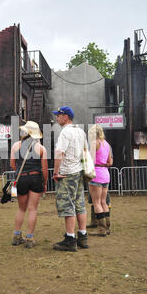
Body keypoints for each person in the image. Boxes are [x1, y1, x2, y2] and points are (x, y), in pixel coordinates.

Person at [52, 106, 89, 252]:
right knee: (80, 203)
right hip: (79, 172)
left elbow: (59, 152)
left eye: (58, 115)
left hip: (67, 173)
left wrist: (55, 172)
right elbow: (85, 151)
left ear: (65, 117)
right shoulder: (80, 131)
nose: (56, 118)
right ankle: (83, 236)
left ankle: (70, 239)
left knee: (67, 205)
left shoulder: (65, 132)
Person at [10, 121, 48, 249]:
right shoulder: (41, 148)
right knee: (33, 209)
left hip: (21, 179)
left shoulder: (16, 145)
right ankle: (29, 238)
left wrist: (21, 171)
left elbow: (12, 165)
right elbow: (44, 169)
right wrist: (45, 182)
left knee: (21, 209)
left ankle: (16, 236)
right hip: (35, 178)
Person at [87, 124, 113, 236]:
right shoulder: (106, 144)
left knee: (96, 202)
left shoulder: (94, 143)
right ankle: (107, 228)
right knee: (103, 202)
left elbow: (91, 160)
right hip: (105, 174)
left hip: (96, 174)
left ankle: (101, 229)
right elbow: (109, 162)